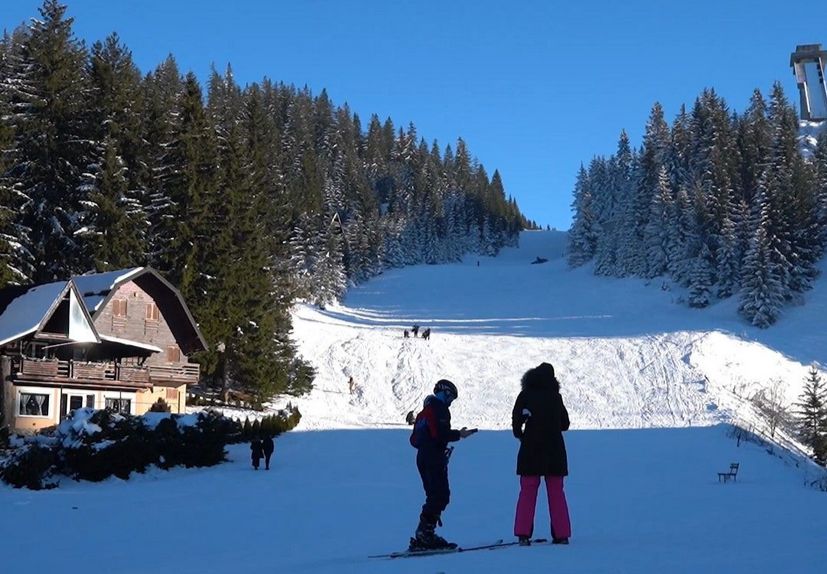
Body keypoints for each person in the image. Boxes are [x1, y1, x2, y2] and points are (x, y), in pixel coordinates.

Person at [408, 379, 477, 550]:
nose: (450, 402)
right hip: (433, 457)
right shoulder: (439, 409)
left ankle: (424, 532)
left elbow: (416, 439)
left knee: (434, 495)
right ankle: (425, 534)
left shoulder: (426, 410)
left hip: (423, 457)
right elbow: (440, 433)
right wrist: (459, 434)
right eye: (450, 397)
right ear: (444, 393)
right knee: (440, 495)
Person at [511, 362, 572, 545]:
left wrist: (521, 434)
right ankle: (562, 535)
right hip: (555, 450)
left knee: (528, 490)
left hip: (531, 448)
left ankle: (523, 534)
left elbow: (516, 421)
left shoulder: (526, 394)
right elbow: (565, 424)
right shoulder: (556, 397)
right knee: (556, 492)